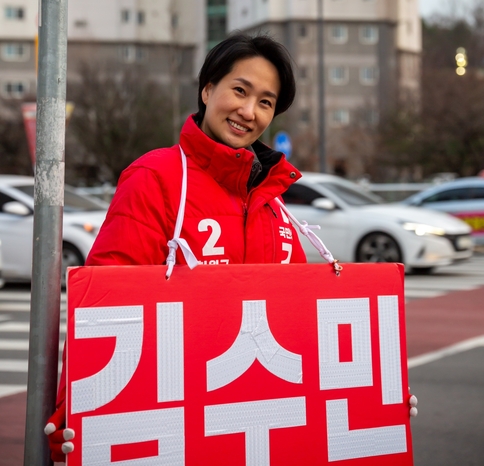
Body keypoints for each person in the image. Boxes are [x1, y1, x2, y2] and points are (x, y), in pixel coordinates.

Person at [44, 32, 417, 462]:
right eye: (239, 90)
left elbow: (298, 332)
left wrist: (376, 396)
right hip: (179, 431)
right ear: (207, 90)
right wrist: (78, 410)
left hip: (253, 432)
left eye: (265, 102)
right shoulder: (156, 177)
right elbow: (108, 305)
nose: (248, 111)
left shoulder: (274, 204)